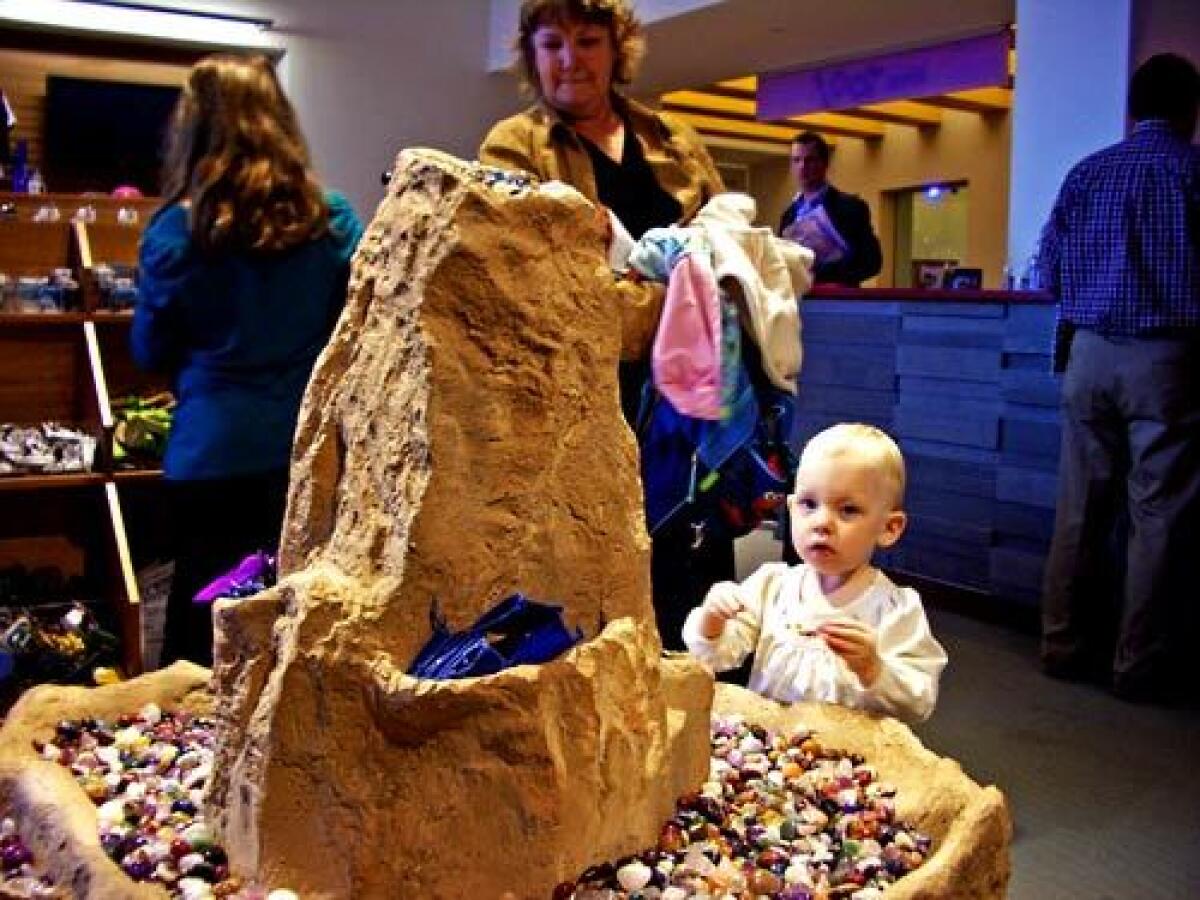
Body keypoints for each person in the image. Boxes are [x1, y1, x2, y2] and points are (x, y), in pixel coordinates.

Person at [479, 0, 729, 651]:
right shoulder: (512, 146)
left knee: (690, 576)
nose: (571, 59)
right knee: (592, 580)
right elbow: (532, 280)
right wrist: (658, 297)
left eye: (587, 40)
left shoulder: (674, 139)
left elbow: (724, 245)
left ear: (617, 49)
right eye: (553, 43)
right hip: (581, 400)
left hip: (687, 395)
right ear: (532, 55)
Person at [133, 54, 363, 667]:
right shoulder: (333, 220)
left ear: (191, 130)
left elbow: (149, 350)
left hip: (209, 456)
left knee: (201, 634)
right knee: (296, 628)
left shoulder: (173, 233)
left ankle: (190, 758)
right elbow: (358, 333)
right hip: (306, 453)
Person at [1038, 53, 1200, 703]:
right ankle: (1136, 664)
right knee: (1156, 515)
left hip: (1088, 355)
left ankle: (1060, 643)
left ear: (1133, 108)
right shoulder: (1193, 172)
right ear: (1190, 110)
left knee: (1079, 507)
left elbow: (1047, 271)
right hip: (1166, 359)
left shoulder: (1087, 173)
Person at [683, 423, 947, 724]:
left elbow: (918, 702)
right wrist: (713, 621)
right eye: (809, 504)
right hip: (769, 752)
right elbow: (714, 657)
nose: (822, 522)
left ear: (889, 528)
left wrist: (873, 669)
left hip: (847, 760)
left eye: (848, 510)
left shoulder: (894, 610)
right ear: (792, 509)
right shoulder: (772, 586)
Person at [779, 131, 882, 287]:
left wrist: (823, 272)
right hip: (799, 302)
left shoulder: (851, 208)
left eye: (810, 160)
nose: (803, 166)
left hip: (837, 302)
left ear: (824, 163)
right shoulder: (788, 215)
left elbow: (871, 263)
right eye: (796, 160)